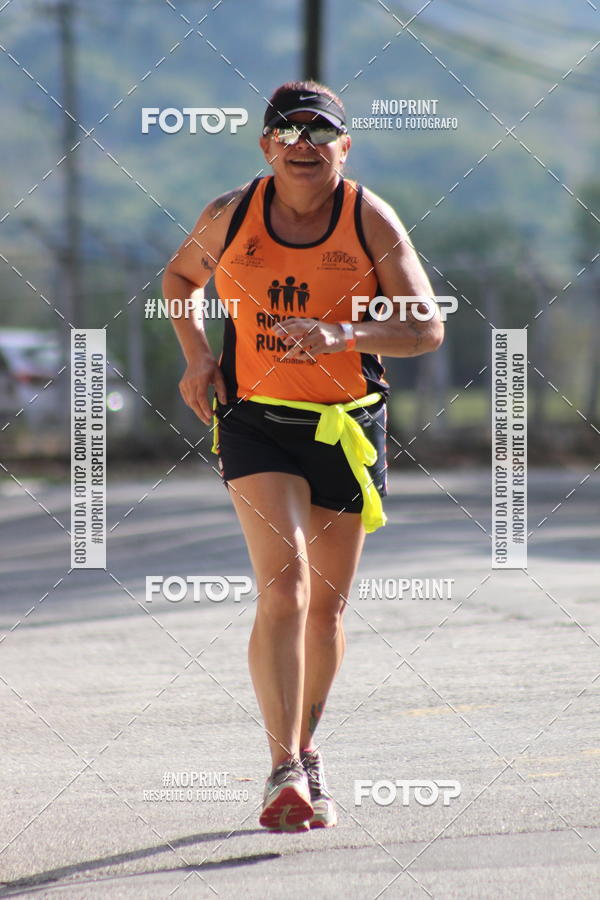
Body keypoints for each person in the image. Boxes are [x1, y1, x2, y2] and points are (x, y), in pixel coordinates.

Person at [163, 81, 444, 833]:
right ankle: (281, 764)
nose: (304, 146)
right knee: (282, 583)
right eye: (288, 133)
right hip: (256, 421)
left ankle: (308, 748)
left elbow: (424, 328)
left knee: (327, 609)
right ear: (265, 146)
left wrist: (343, 335)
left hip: (346, 426)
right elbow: (178, 280)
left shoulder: (369, 218)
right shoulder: (231, 215)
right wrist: (196, 358)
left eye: (321, 135)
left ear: (344, 149)